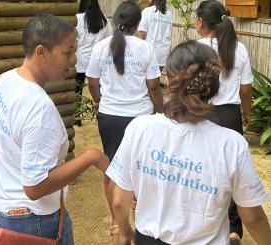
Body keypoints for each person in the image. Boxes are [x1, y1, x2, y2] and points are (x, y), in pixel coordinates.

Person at [106, 40, 271, 245]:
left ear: (169, 81)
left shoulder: (139, 128)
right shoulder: (231, 145)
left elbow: (120, 201)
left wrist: (123, 231)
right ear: (214, 86)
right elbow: (253, 218)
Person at [0, 13, 109, 245]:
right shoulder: (38, 107)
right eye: (67, 52)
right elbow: (35, 187)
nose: (74, 59)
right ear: (41, 52)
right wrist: (91, 157)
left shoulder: (1, 81)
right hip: (27, 224)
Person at [86, 0, 163, 241]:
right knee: (142, 167)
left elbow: (91, 81)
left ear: (115, 20)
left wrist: (99, 101)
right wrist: (160, 111)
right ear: (137, 23)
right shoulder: (145, 48)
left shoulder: (101, 47)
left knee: (112, 167)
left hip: (109, 117)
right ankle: (141, 216)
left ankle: (117, 223)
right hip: (140, 117)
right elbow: (153, 86)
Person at [195, 1, 253, 244]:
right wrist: (247, 114)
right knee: (232, 173)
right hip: (230, 116)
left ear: (201, 21)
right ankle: (233, 230)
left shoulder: (195, 49)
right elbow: (247, 89)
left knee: (199, 168)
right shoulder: (239, 48)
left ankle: (203, 223)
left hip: (201, 114)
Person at [75, 0, 112, 126]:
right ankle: (100, 115)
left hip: (79, 61)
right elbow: (109, 39)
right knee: (100, 89)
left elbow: (73, 39)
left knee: (77, 90)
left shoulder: (77, 19)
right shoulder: (103, 19)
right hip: (97, 61)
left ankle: (77, 118)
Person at [138, 0, 172, 71]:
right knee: (157, 78)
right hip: (163, 54)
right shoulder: (168, 13)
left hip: (149, 53)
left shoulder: (147, 11)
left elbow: (142, 34)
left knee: (147, 79)